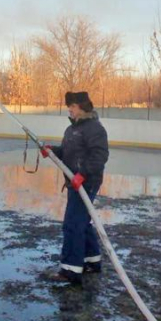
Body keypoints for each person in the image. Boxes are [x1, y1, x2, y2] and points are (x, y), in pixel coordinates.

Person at [40, 91, 109, 285]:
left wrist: (83, 174)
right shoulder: (72, 130)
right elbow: (68, 153)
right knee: (82, 222)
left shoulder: (94, 128)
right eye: (69, 105)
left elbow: (100, 155)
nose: (69, 108)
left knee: (72, 224)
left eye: (72, 106)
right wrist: (52, 151)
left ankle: (71, 269)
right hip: (75, 181)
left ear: (82, 107)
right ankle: (92, 260)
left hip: (86, 181)